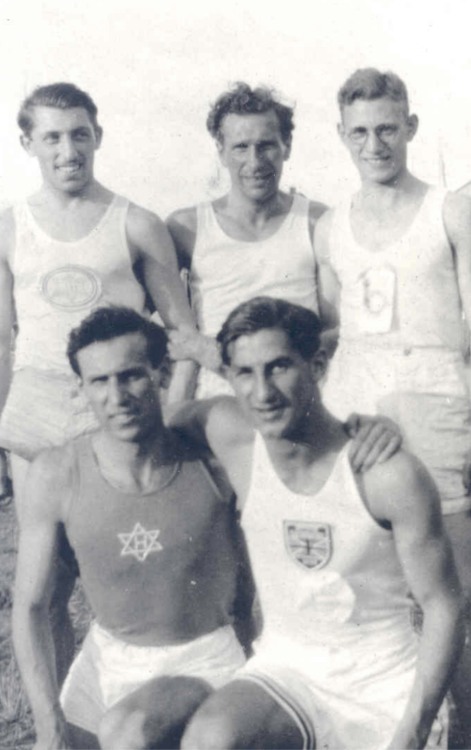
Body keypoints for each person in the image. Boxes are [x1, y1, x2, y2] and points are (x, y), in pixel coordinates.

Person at [169, 296, 463, 750]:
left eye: (280, 367)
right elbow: (151, 429)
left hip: (382, 684)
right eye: (245, 373)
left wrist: (415, 727)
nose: (263, 393)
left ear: (319, 363)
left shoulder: (387, 473)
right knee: (209, 740)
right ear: (227, 376)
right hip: (287, 669)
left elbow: (443, 606)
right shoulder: (231, 437)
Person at [0, 82, 199, 680]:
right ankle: (57, 725)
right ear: (27, 142)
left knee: (134, 576)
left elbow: (184, 334)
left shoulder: (134, 223)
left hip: (110, 412)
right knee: (43, 590)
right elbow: (4, 341)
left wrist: (174, 417)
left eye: (79, 134)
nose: (68, 149)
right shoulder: (9, 227)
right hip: (33, 413)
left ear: (98, 138)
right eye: (53, 136)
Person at [12, 306, 251, 750]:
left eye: (131, 375)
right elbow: (29, 608)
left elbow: (281, 413)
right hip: (108, 664)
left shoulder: (209, 452)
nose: (117, 395)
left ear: (161, 374)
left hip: (204, 661)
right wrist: (49, 724)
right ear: (80, 389)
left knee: (131, 734)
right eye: (99, 381)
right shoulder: (57, 473)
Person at [314, 67, 471, 743]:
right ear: (341, 137)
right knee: (360, 581)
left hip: (434, 404)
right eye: (359, 133)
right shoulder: (330, 228)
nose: (374, 144)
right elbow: (331, 323)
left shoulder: (450, 210)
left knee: (450, 586)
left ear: (408, 127)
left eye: (386, 128)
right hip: (351, 404)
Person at [166, 82, 331, 397]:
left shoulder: (317, 222)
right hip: (218, 407)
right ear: (222, 152)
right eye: (241, 147)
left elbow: (334, 329)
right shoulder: (186, 227)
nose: (255, 162)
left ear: (287, 146)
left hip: (299, 402)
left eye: (266, 145)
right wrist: (201, 351)